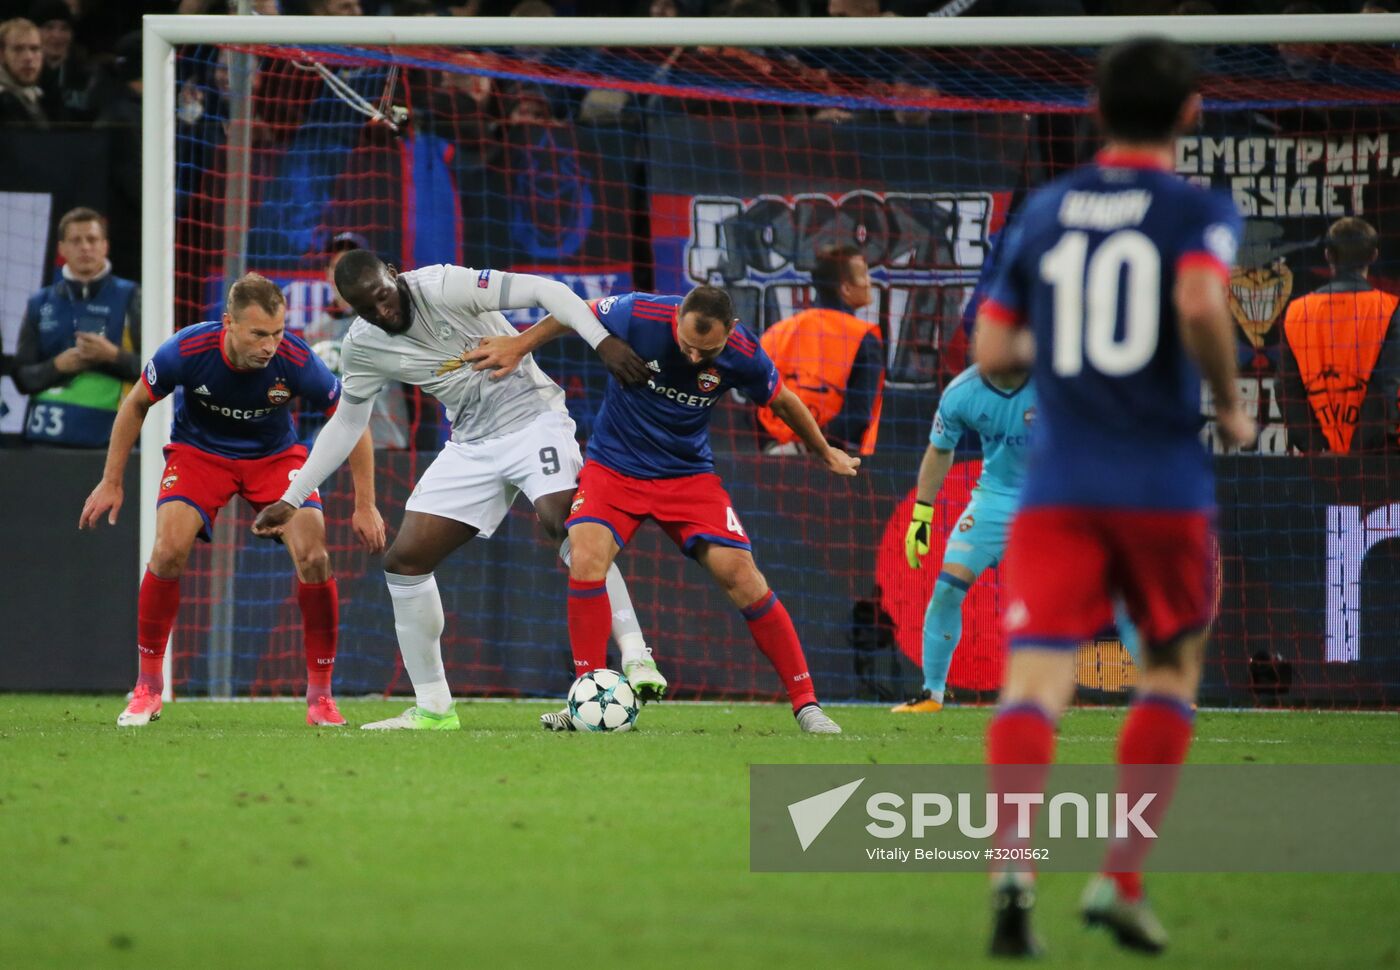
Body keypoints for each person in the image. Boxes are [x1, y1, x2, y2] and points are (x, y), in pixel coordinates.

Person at [970, 37, 1255, 956]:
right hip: (1161, 483)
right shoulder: (1195, 207)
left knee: (1034, 679)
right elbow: (1202, 303)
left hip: (1060, 485)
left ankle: (1012, 871)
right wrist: (1228, 402)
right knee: (1169, 670)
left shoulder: (1048, 208)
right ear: (1192, 112)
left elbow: (993, 352)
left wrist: (1068, 339)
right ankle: (1119, 880)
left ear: (1095, 110)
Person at [252, 253, 662, 730]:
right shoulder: (362, 345)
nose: (382, 312)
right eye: (366, 308)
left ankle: (635, 654)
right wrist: (293, 498)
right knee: (404, 562)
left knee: (567, 523)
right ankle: (434, 708)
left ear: (394, 274)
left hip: (533, 419)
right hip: (470, 443)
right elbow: (347, 423)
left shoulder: (444, 285)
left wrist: (602, 342)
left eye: (383, 296)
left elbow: (547, 292)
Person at [474, 286, 860, 733]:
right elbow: (571, 310)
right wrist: (519, 345)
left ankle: (807, 704)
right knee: (585, 555)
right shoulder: (639, 313)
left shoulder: (743, 352)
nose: (694, 357)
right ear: (676, 318)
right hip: (614, 467)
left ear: (731, 330)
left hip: (687, 476)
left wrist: (824, 451)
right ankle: (587, 699)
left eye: (707, 351)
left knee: (742, 576)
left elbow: (783, 400)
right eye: (687, 345)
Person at [78, 273, 385, 728]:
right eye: (259, 334)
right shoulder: (186, 350)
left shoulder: (296, 359)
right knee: (167, 550)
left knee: (315, 557)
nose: (270, 345)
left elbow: (352, 421)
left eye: (277, 333)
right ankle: (147, 689)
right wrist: (111, 480)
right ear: (228, 323)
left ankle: (321, 698)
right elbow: (136, 403)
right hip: (199, 455)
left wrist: (366, 504)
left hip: (275, 458)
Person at [897, 366, 1141, 714]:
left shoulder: (1058, 377)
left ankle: (1163, 691)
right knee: (948, 589)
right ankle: (931, 694)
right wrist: (922, 513)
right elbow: (940, 449)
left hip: (1057, 496)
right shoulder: (961, 392)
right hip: (995, 500)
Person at [12, 208, 141, 447]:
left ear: (105, 246)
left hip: (109, 442)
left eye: (92, 239)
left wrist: (113, 356)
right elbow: (22, 378)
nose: (85, 247)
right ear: (62, 248)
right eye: (76, 240)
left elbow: (155, 370)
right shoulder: (39, 302)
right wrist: (57, 366)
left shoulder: (131, 296)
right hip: (45, 442)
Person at [1278, 216, 1400, 455]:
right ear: (1373, 255)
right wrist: (1357, 454)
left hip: (1319, 463)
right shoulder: (1390, 309)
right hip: (1377, 460)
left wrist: (1317, 448)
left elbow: (1286, 388)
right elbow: (1389, 386)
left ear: (1328, 255)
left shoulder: (1297, 311)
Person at [756, 245, 885, 455]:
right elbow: (858, 415)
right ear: (846, 289)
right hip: (832, 459)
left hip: (774, 455)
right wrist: (808, 448)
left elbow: (755, 401)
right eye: (863, 275)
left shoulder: (777, 332)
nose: (869, 282)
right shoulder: (863, 337)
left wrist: (780, 447)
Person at [303, 233, 410, 450]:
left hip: (385, 445)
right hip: (332, 448)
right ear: (327, 273)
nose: (345, 276)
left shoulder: (388, 320)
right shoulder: (313, 332)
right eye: (338, 268)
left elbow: (417, 390)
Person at [0, 18, 54, 127]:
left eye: (35, 49)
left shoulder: (49, 96)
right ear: (2, 55)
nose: (28, 57)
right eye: (18, 49)